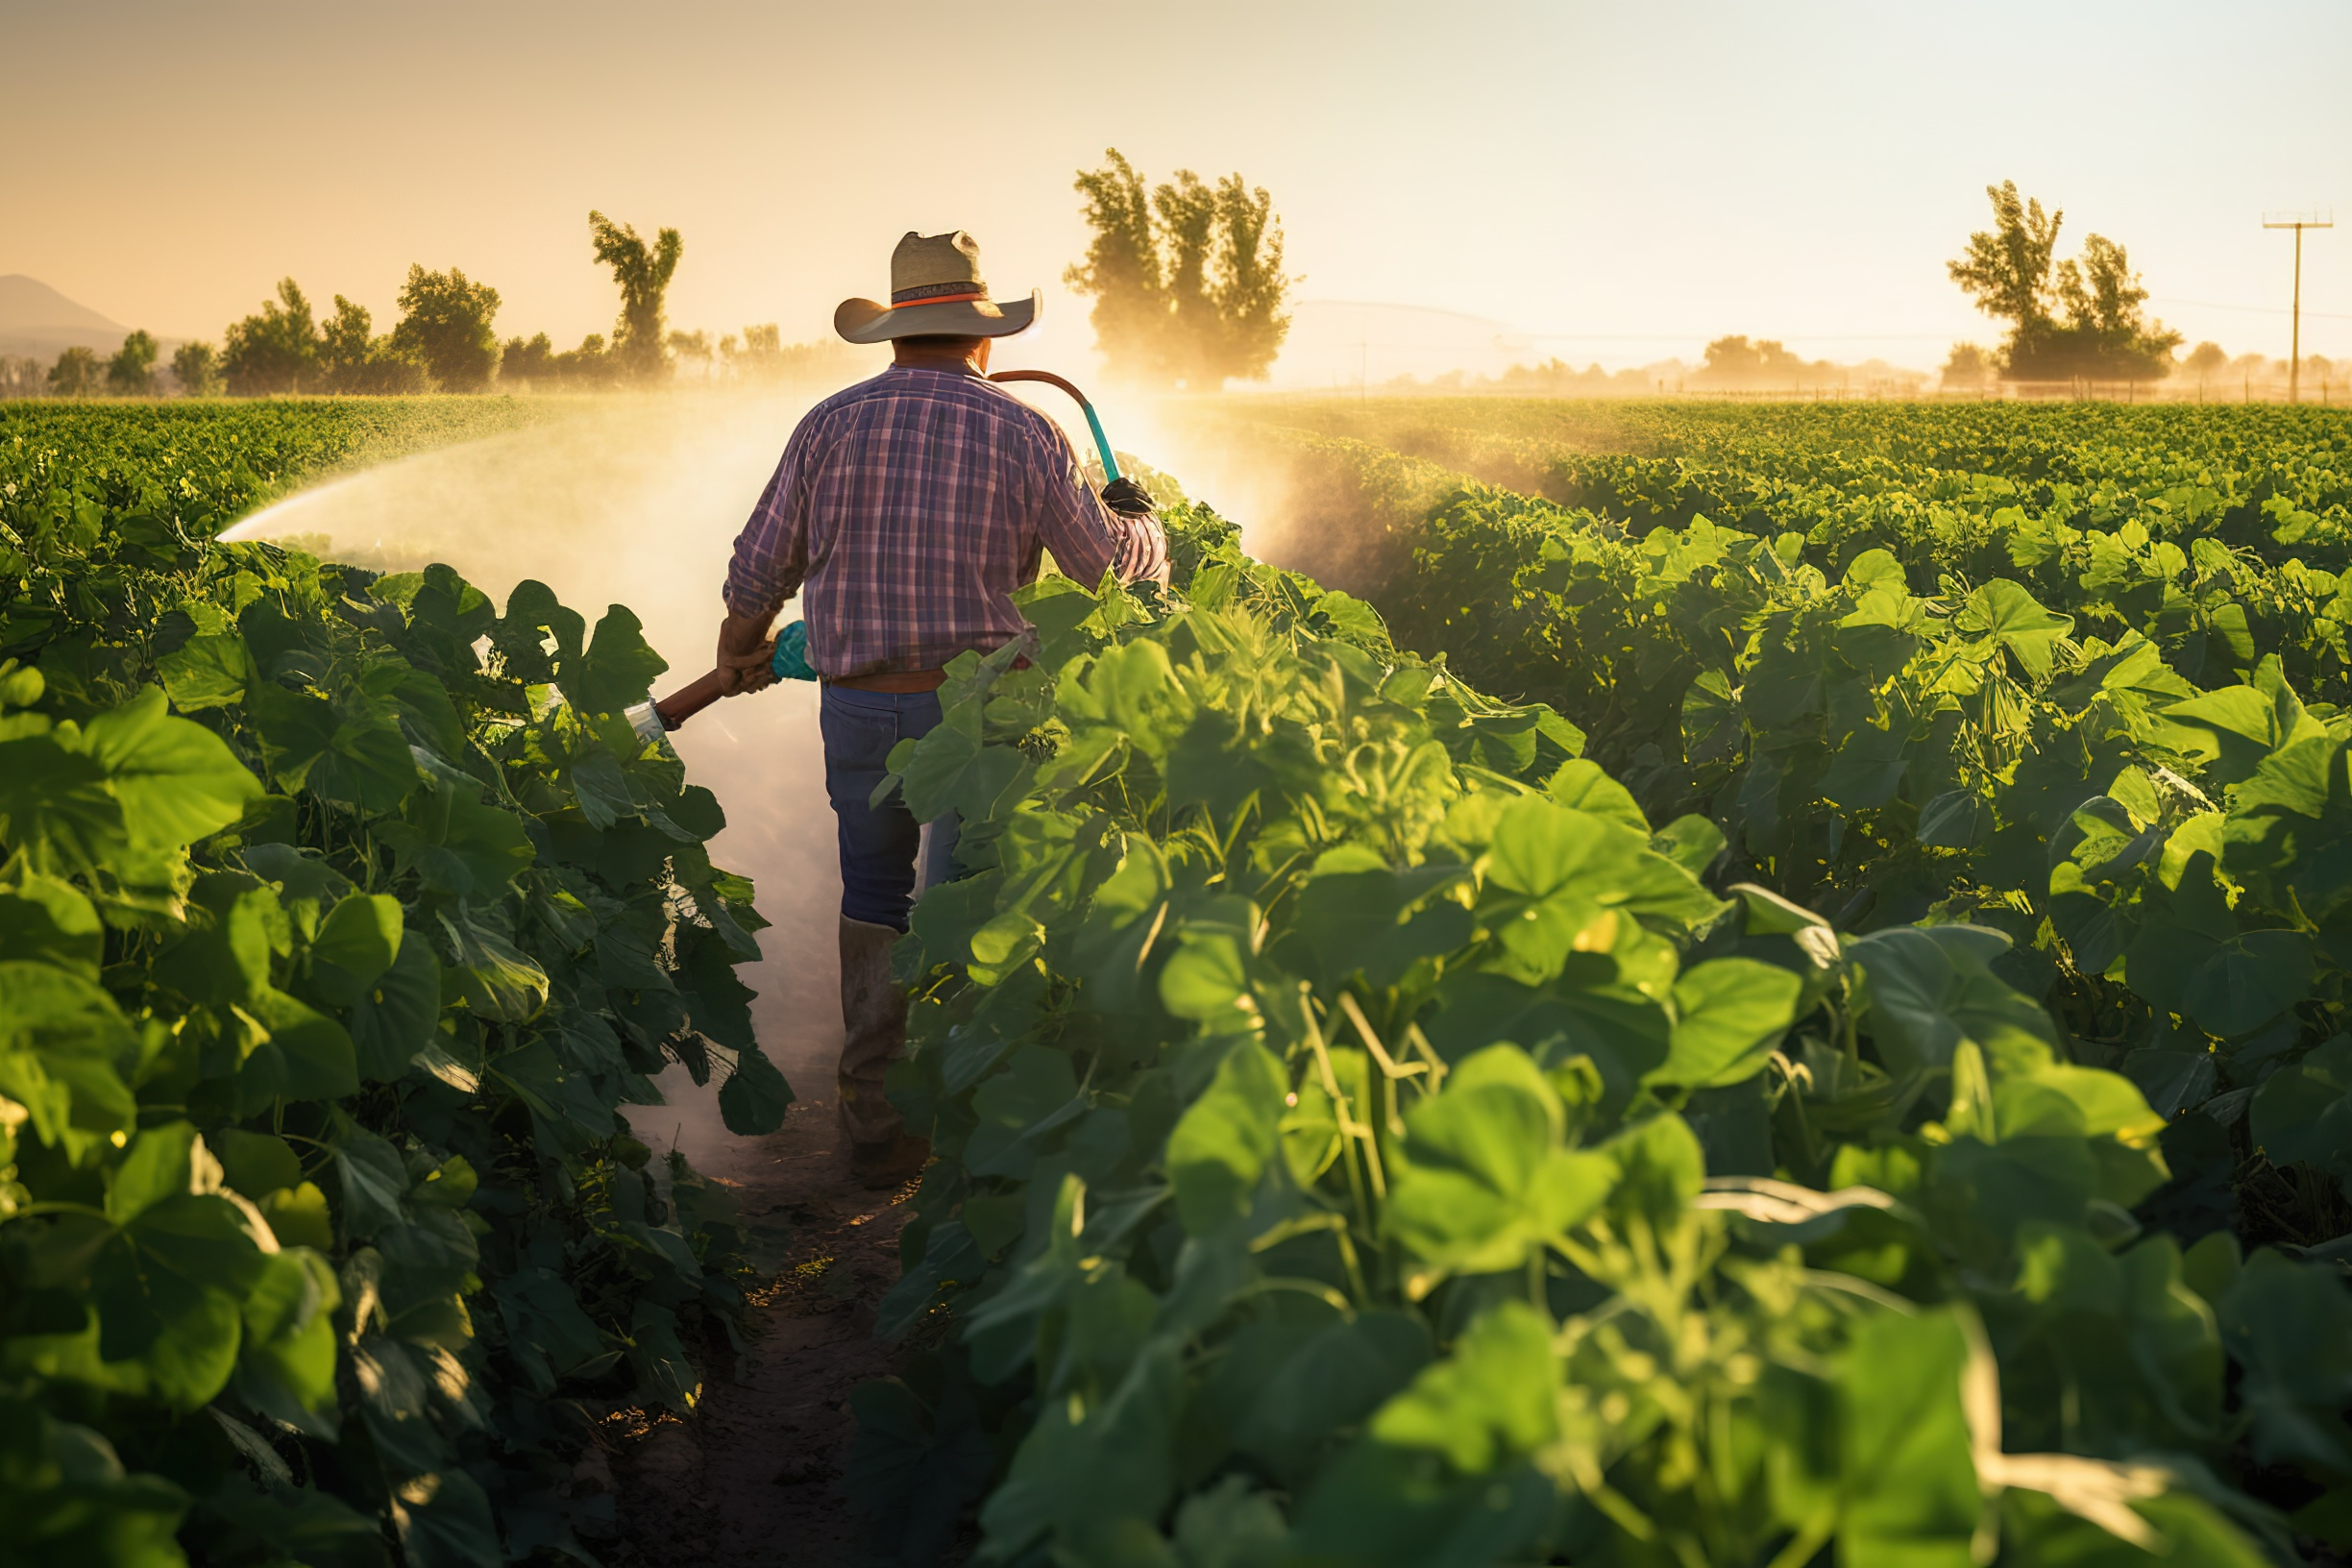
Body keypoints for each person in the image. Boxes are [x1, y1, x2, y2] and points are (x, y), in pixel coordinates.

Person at [715, 231, 1166, 1187]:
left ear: (892, 334)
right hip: (981, 720)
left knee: (875, 897)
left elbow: (761, 567)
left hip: (858, 710)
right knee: (965, 907)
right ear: (983, 338)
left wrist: (737, 649)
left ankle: (874, 1119)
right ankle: (961, 1130)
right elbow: (1105, 573)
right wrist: (1144, 523)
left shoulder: (827, 425)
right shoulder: (1025, 431)